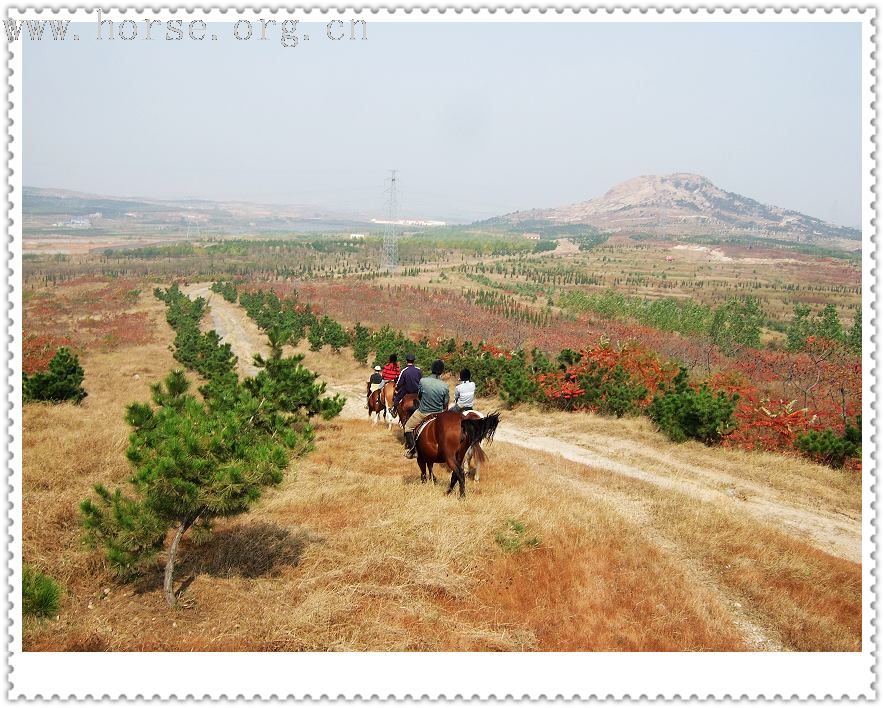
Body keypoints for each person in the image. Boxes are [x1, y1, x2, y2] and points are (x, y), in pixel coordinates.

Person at [403, 359, 449, 458]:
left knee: (408, 427)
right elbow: (445, 403)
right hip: (438, 414)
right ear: (441, 371)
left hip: (423, 412)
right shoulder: (444, 386)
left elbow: (419, 396)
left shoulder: (423, 381)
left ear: (432, 369)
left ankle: (412, 450)